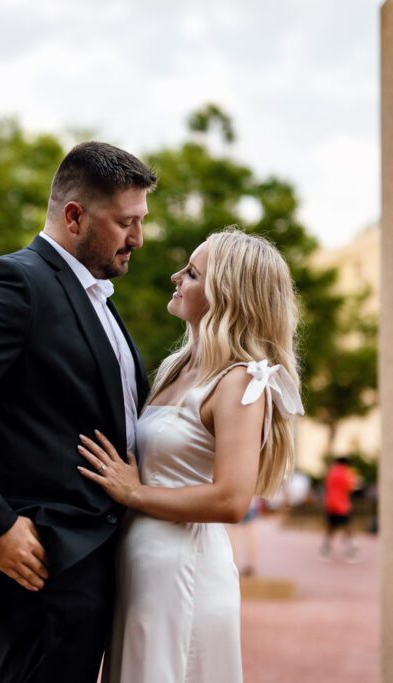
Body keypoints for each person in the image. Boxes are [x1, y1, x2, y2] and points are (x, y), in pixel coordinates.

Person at [0, 142, 156, 683]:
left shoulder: (97, 296)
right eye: (125, 222)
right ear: (73, 216)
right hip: (43, 563)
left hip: (91, 564)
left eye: (141, 221)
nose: (138, 237)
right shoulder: (16, 282)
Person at [75, 229, 304, 683]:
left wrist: (134, 493)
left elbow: (232, 501)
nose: (176, 276)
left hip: (184, 571)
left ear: (227, 294)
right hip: (141, 567)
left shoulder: (240, 381)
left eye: (193, 273)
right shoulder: (177, 369)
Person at [318, 456, 360, 562]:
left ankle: (325, 549)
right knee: (346, 527)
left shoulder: (331, 472)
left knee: (331, 527)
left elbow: (326, 486)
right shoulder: (347, 473)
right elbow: (351, 487)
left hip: (330, 503)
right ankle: (350, 551)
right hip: (342, 505)